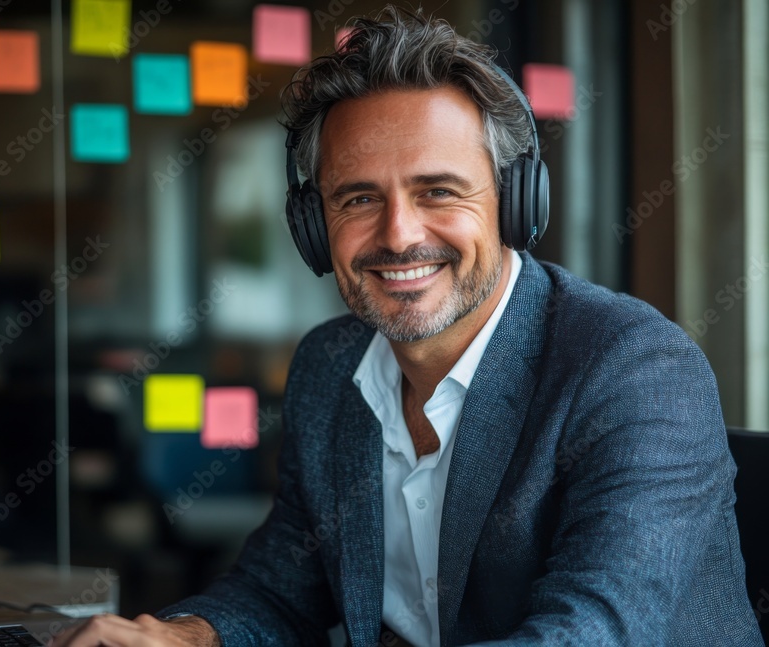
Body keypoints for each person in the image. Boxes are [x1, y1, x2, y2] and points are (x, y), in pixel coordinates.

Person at [51, 6, 762, 646]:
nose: (397, 234)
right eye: (358, 197)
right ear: (311, 225)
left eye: (438, 191)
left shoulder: (635, 368)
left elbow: (589, 631)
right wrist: (186, 637)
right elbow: (279, 588)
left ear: (515, 204)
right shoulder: (330, 367)